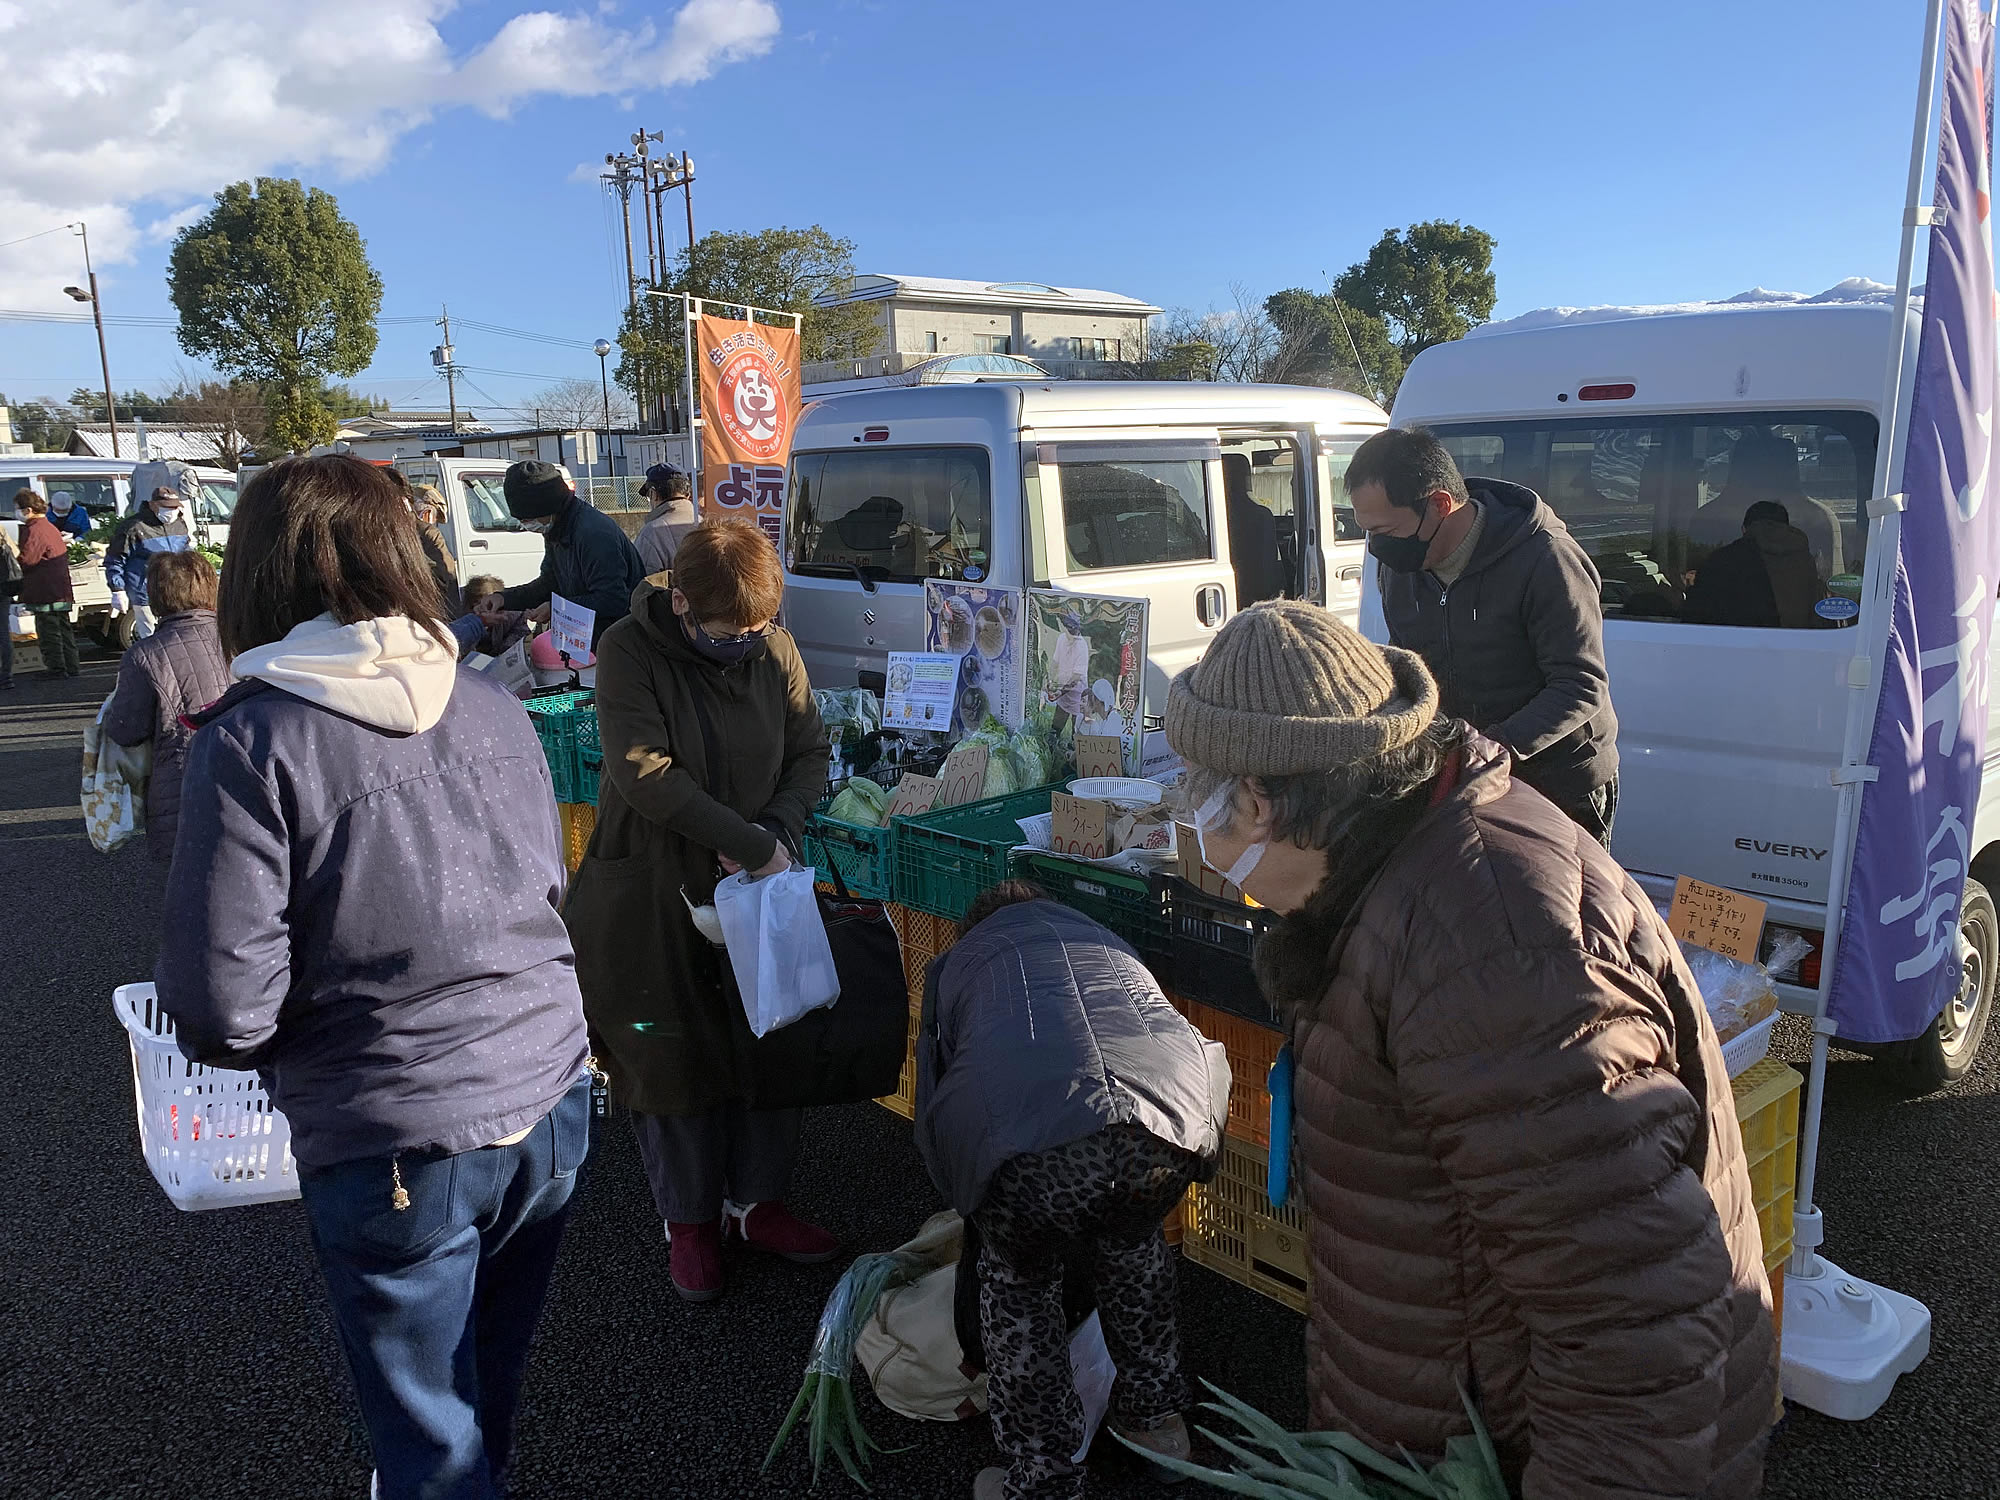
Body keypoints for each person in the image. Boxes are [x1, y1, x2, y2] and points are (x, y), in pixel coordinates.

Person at [1163, 600, 1776, 1498]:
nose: (1208, 851)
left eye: (1204, 811)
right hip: (1460, 1420)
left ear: (1259, 804)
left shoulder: (1489, 950)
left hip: (1524, 1450)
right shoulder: (1411, 861)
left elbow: (1631, 1326)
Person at [152, 453, 591, 1500]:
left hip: (395, 1126)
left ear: (259, 572)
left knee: (428, 1436)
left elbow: (221, 1003)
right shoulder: (486, 701)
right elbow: (546, 889)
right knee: (482, 1390)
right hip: (552, 1091)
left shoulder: (255, 738)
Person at [562, 518, 835, 1302]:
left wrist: (773, 834)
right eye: (728, 631)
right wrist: (747, 842)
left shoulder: (772, 650)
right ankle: (689, 1224)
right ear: (680, 603)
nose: (745, 642)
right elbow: (645, 771)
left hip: (759, 876)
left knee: (769, 1035)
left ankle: (756, 1205)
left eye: (759, 628)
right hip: (651, 882)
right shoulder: (628, 651)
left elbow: (808, 748)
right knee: (670, 1054)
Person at [917, 881, 1229, 1500]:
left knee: (1021, 1286)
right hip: (1170, 1119)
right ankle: (1158, 1425)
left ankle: (1043, 1476)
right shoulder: (1103, 939)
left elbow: (937, 1098)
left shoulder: (958, 963)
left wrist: (975, 1205)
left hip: (1033, 1147)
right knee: (1135, 1246)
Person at [1347, 426, 1620, 846]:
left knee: (1560, 908)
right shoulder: (1398, 571)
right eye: (1369, 531)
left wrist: (1487, 749)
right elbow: (1411, 670)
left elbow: (1580, 686)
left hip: (1558, 783)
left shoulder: (1545, 558)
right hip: (1466, 780)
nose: (1377, 547)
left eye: (1387, 532)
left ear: (1439, 505)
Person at [103, 552, 230, 859]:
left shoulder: (143, 655)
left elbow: (126, 730)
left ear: (155, 593)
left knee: (191, 889)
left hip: (180, 784)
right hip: (249, 773)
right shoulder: (242, 638)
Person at [480, 460, 644, 648]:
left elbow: (613, 599)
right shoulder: (555, 528)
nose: (526, 525)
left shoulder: (593, 534)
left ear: (547, 508)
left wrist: (557, 608)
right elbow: (549, 583)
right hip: (588, 640)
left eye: (528, 519)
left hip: (621, 641)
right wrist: (504, 598)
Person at [1684, 500, 1828, 629]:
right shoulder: (1806, 562)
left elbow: (1695, 618)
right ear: (1787, 529)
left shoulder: (1720, 561)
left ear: (1744, 530)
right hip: (1801, 650)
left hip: (1731, 651)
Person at [104, 485, 193, 640]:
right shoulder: (134, 527)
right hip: (144, 592)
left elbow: (185, 553)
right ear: (152, 505)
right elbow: (115, 559)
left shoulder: (179, 524)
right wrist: (117, 589)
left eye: (174, 507)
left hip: (174, 590)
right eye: (166, 507)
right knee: (151, 638)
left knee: (175, 636)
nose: (170, 512)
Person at [15, 493, 78, 679]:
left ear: (28, 510)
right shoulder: (49, 527)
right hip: (59, 588)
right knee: (64, 628)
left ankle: (56, 668)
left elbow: (27, 559)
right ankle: (71, 666)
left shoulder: (35, 530)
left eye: (18, 508)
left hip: (45, 590)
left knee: (48, 629)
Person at [1221, 452, 1285, 606]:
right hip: (1257, 598)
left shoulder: (1208, 512)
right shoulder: (1261, 516)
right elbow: (1269, 570)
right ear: (1246, 480)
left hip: (1230, 595)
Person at [634, 463, 700, 575]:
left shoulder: (652, 533)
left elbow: (643, 586)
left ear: (653, 494)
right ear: (687, 494)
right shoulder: (706, 522)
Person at [410, 481, 459, 617]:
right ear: (426, 512)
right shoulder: (429, 532)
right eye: (435, 516)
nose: (434, 521)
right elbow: (447, 574)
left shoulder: (394, 526)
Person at [0, 521, 19, 689]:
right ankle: (6, 676)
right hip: (3, 587)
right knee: (3, 633)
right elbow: (16, 552)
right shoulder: (0, 529)